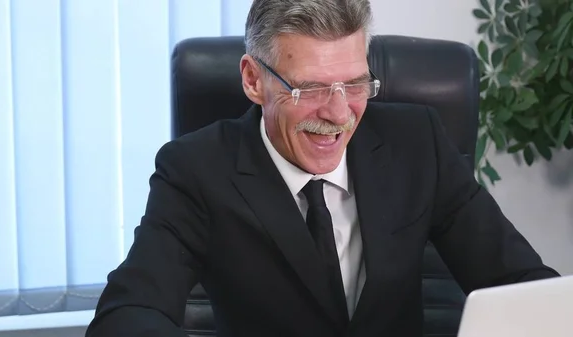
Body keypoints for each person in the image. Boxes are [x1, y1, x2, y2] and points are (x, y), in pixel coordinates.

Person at [85, 0, 559, 336]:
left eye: (354, 84)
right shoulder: (195, 170)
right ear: (254, 80)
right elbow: (128, 314)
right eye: (308, 89)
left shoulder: (419, 144)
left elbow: (520, 286)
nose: (338, 114)